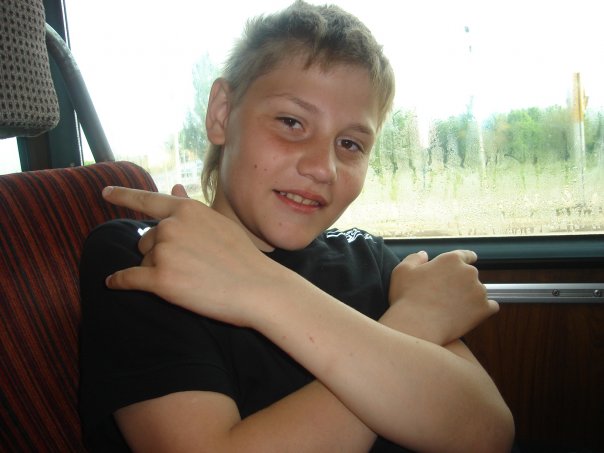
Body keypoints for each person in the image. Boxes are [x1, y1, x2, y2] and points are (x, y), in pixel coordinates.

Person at [78, 1, 515, 451]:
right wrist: (415, 319)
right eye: (291, 122)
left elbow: (487, 433)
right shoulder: (151, 255)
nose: (323, 167)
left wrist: (403, 315)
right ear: (222, 113)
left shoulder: (368, 260)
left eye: (350, 144)